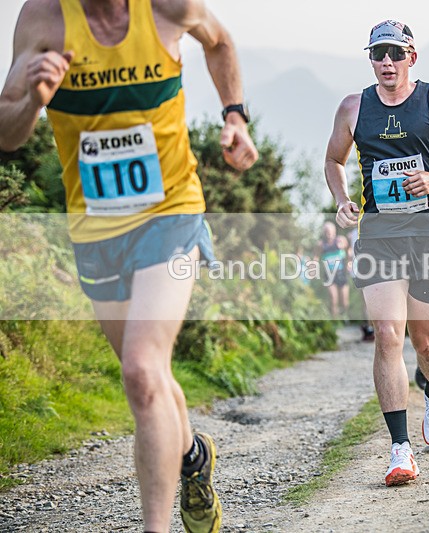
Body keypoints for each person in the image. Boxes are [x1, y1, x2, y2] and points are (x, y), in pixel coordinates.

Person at [0, 1, 258, 531]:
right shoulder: (44, 19)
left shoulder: (168, 7)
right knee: (151, 374)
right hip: (95, 229)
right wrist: (33, 99)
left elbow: (220, 42)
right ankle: (192, 457)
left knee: (141, 370)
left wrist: (235, 117)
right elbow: (7, 132)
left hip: (172, 214)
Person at [324, 20, 429, 487]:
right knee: (387, 336)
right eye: (378, 54)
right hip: (378, 233)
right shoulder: (353, 107)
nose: (387, 62)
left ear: (412, 56)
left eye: (396, 53)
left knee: (427, 344)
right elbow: (334, 160)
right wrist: (341, 199)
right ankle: (400, 450)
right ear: (370, 59)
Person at [314, 221, 350, 318]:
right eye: (326, 232)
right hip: (329, 276)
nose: (328, 234)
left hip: (341, 274)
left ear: (334, 231)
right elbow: (316, 257)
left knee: (344, 301)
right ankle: (335, 321)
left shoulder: (340, 240)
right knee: (333, 299)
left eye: (330, 231)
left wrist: (349, 263)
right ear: (323, 233)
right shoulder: (321, 244)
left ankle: (345, 318)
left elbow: (349, 251)